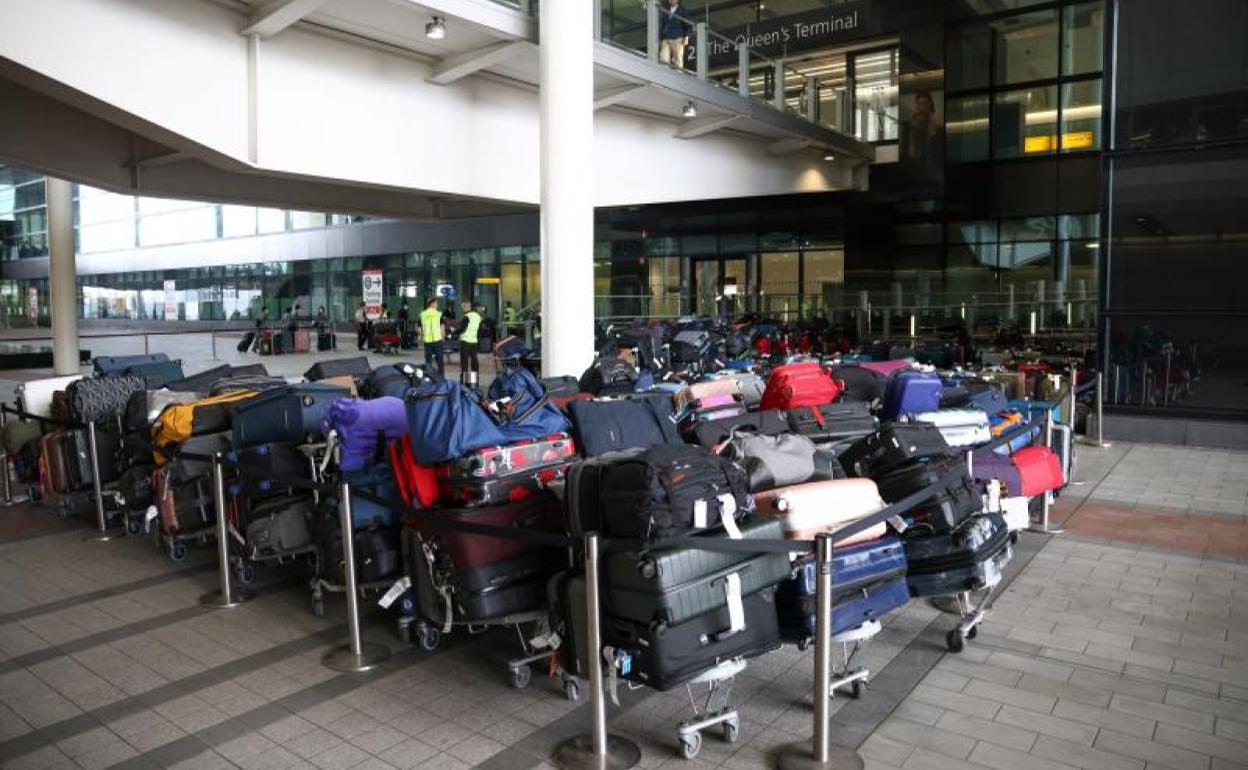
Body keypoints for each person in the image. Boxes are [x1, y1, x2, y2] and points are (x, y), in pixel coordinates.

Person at [658, 0, 692, 70]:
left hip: (677, 37)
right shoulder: (666, 10)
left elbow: (688, 25)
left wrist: (687, 37)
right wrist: (660, 38)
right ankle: (663, 74)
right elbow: (662, 25)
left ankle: (678, 75)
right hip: (666, 37)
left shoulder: (682, 10)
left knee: (677, 59)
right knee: (663, 58)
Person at [456, 301, 483, 383]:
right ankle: (475, 379)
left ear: (467, 307)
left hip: (465, 341)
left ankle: (465, 380)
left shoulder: (467, 316)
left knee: (465, 362)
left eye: (463, 307)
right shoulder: (478, 317)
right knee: (474, 361)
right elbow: (479, 331)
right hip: (474, 342)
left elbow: (462, 330)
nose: (462, 309)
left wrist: (454, 331)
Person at [420, 296, 445, 375]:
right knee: (439, 360)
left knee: (428, 360)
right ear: (433, 304)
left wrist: (422, 336)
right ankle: (441, 376)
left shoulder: (423, 314)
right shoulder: (438, 314)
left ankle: (429, 376)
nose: (437, 305)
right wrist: (443, 338)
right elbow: (442, 328)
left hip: (427, 341)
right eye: (436, 303)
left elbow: (419, 328)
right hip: (437, 340)